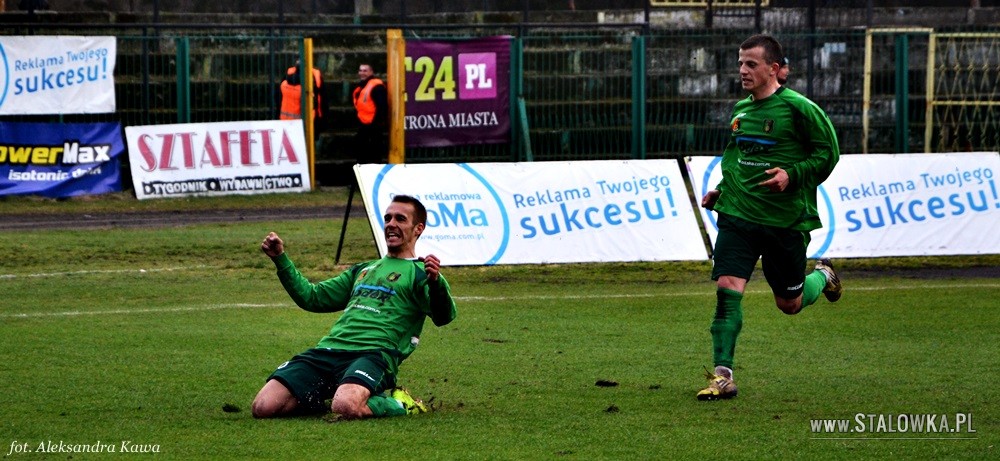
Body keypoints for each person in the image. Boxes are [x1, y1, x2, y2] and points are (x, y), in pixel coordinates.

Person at [696, 34, 843, 401]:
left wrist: (791, 175)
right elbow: (736, 159)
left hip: (784, 223)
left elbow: (829, 154)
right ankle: (723, 375)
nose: (742, 70)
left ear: (773, 69)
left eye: (751, 64)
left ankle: (822, 277)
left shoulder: (799, 109)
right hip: (738, 218)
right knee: (727, 291)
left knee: (789, 305)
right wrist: (722, 191)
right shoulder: (740, 111)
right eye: (740, 63)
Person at [252, 194, 457, 419]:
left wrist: (436, 284)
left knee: (346, 406)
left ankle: (401, 404)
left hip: (373, 354)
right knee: (263, 406)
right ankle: (333, 391)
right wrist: (280, 258)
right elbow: (312, 297)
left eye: (400, 219)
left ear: (418, 228)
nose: (391, 224)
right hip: (329, 350)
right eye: (388, 218)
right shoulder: (363, 269)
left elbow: (444, 316)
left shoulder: (423, 273)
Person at [352, 63, 389, 164]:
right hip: (364, 125)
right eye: (360, 70)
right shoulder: (362, 87)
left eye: (365, 71)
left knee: (374, 156)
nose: (362, 73)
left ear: (371, 72)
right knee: (362, 154)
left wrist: (376, 124)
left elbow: (382, 107)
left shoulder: (377, 87)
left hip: (373, 127)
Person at [278, 60, 327, 136]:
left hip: (284, 120)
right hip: (305, 124)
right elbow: (318, 104)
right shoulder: (308, 87)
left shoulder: (284, 83)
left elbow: (278, 99)